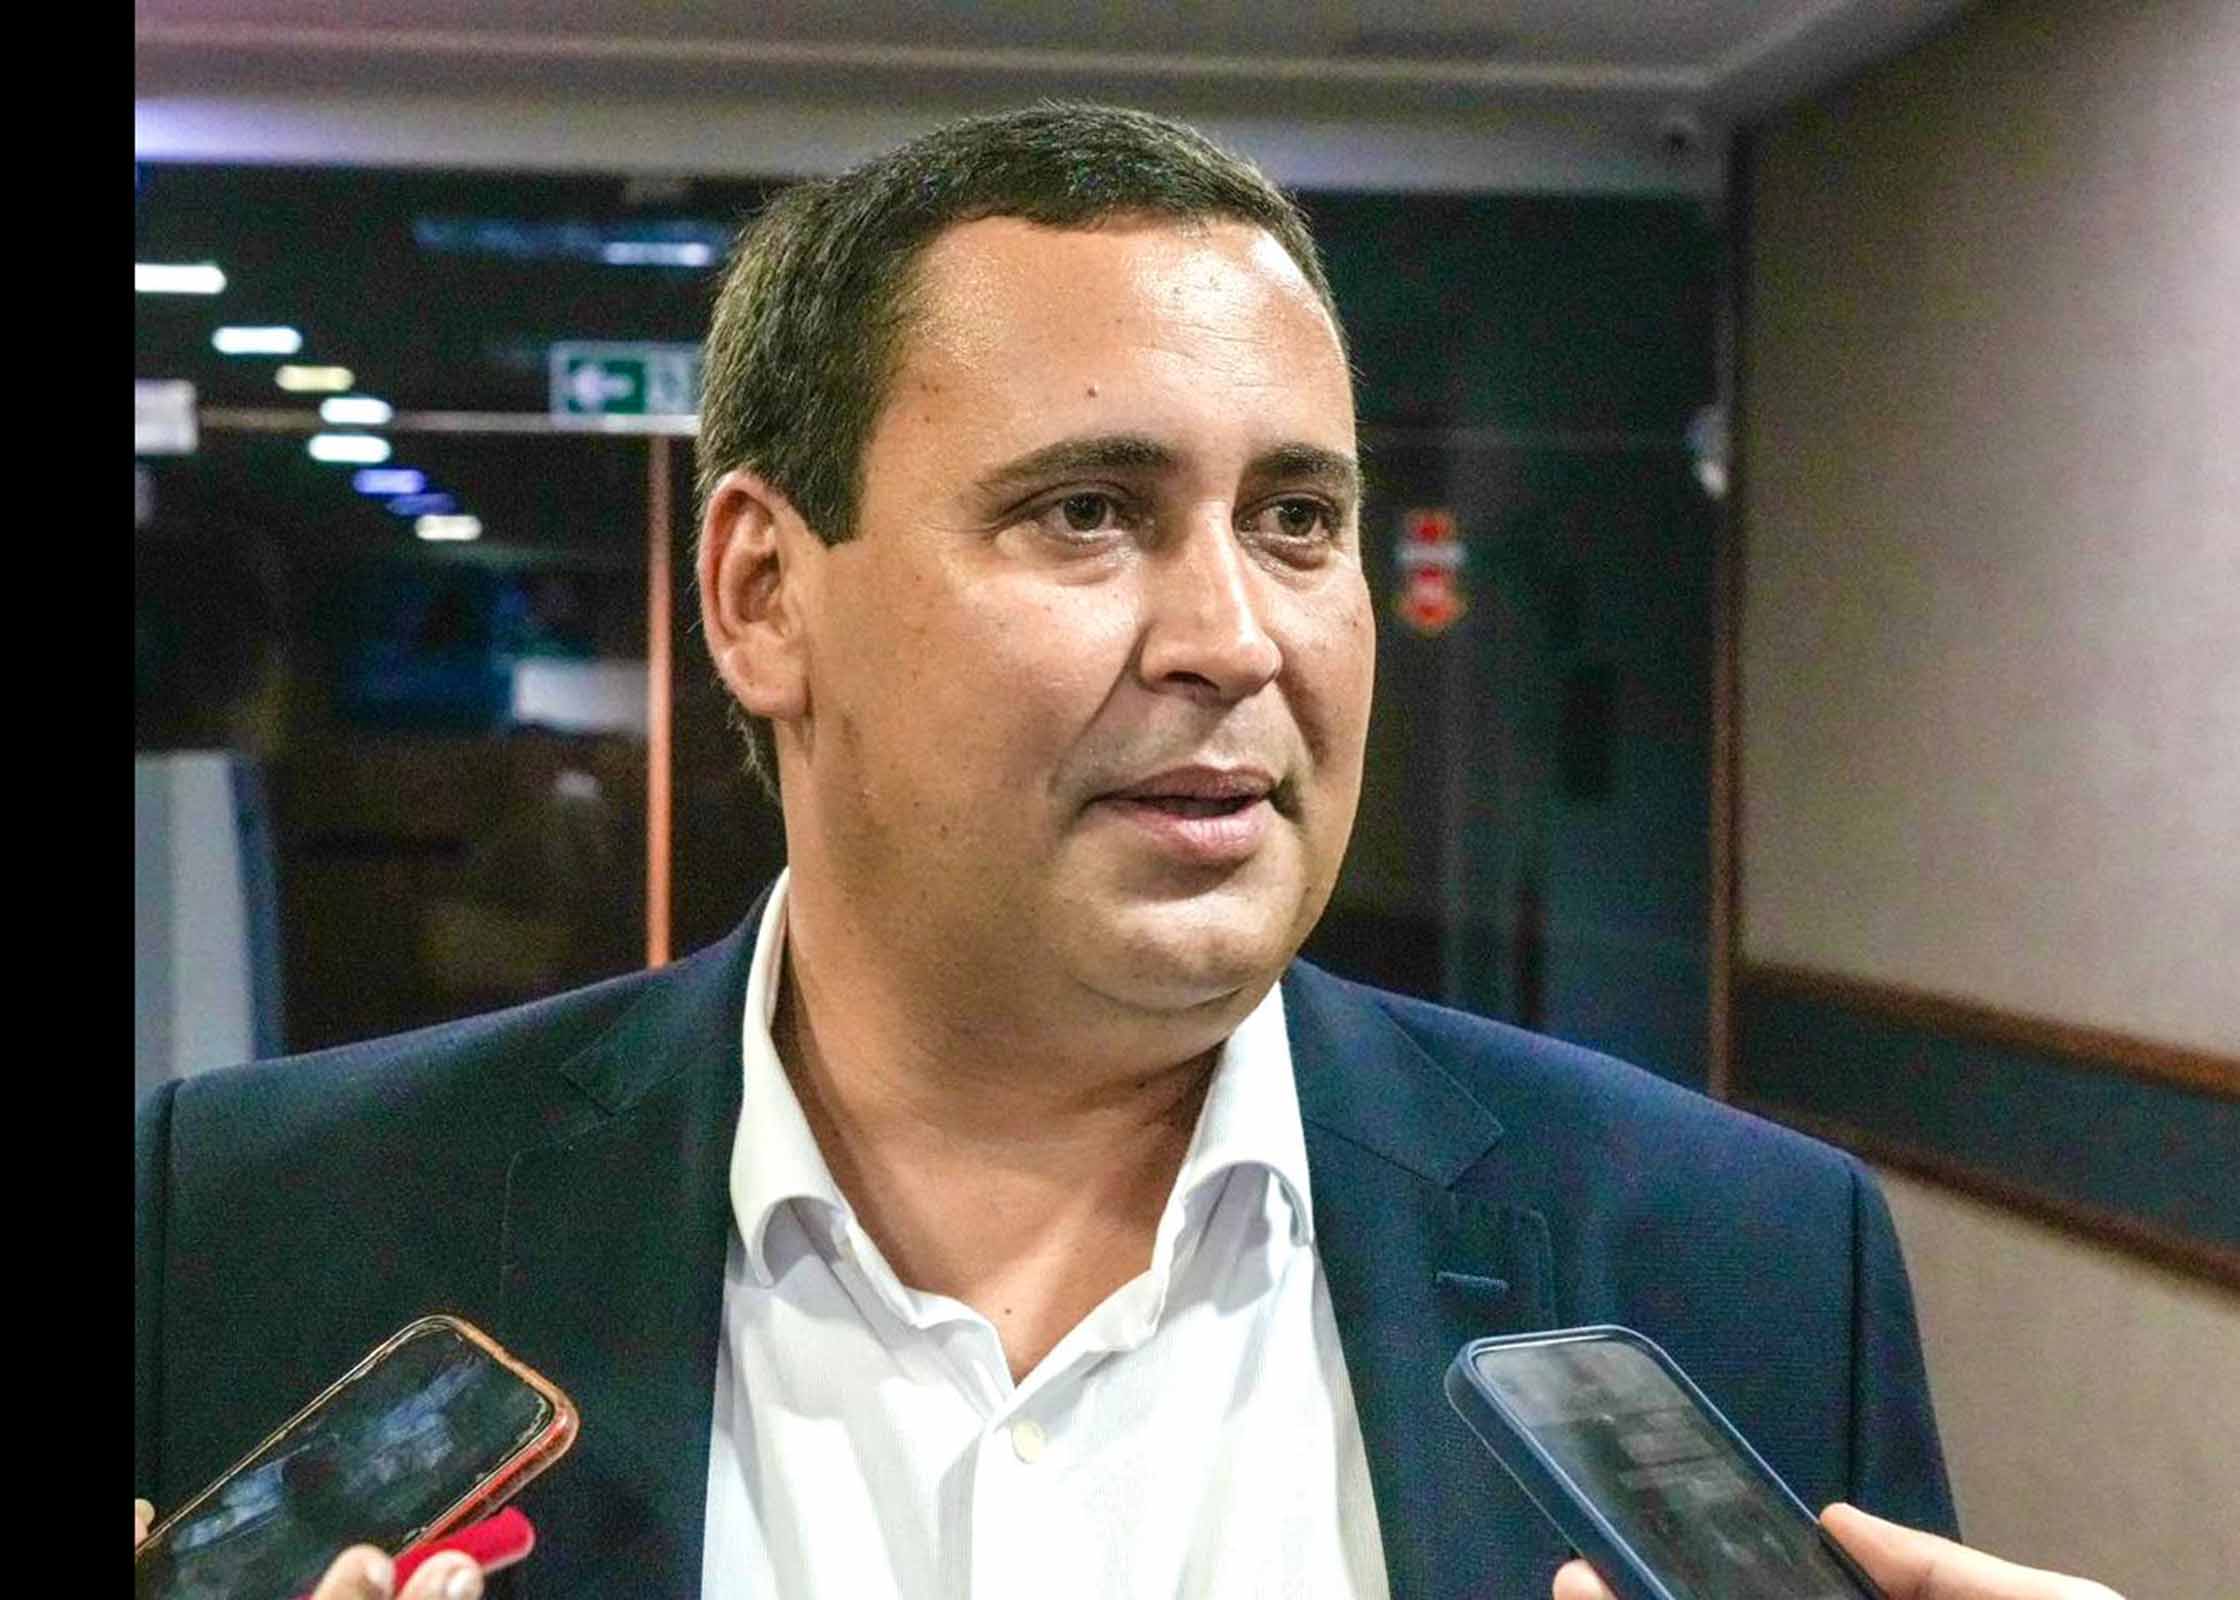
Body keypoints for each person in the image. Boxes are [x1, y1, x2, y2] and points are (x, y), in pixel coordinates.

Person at [134, 104, 2122, 1600]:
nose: (1235, 637)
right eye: (1089, 511)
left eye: (1299, 519)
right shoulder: (258, 1225)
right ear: (760, 593)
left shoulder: (1738, 1262)